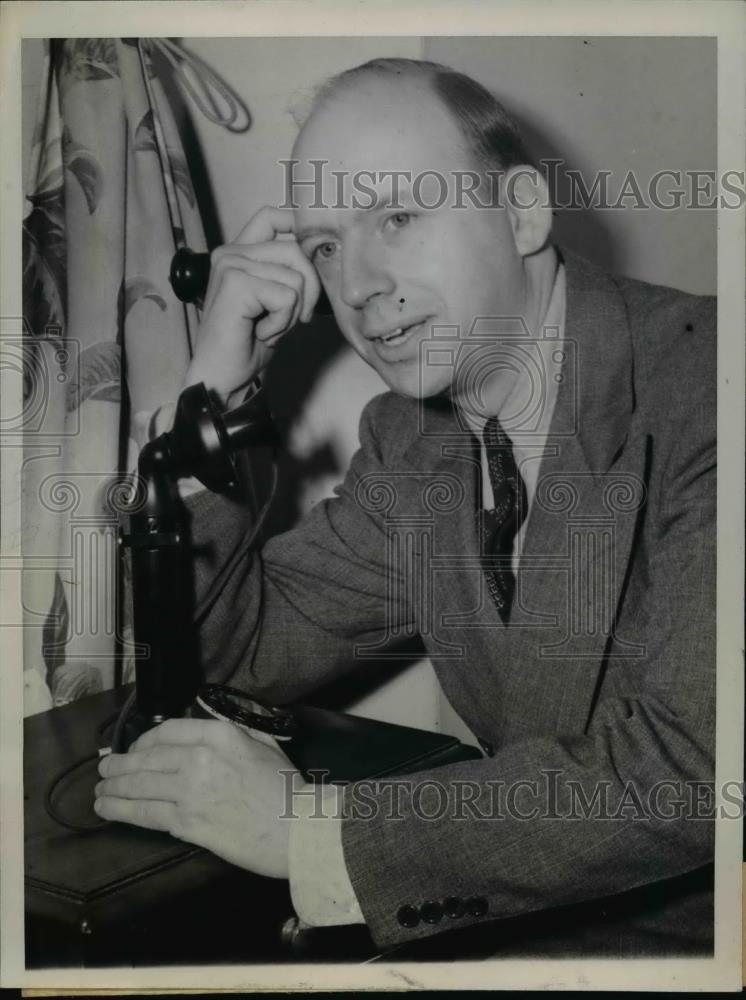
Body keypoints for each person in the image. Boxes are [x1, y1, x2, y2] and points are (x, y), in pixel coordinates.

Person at [94, 58, 716, 958]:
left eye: (397, 216)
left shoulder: (709, 386)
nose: (356, 286)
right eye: (324, 247)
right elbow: (228, 659)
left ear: (524, 212)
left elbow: (695, 771)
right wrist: (215, 392)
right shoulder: (416, 445)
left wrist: (310, 830)